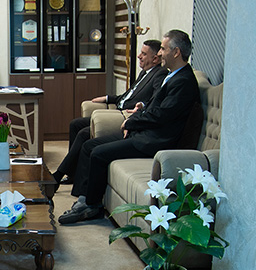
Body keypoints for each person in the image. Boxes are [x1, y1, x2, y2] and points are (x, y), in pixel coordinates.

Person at [58, 30, 200, 225]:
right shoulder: (173, 76)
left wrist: (131, 122)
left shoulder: (184, 81)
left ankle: (92, 206)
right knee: (90, 145)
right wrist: (138, 114)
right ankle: (83, 199)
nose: (159, 53)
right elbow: (154, 107)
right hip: (143, 133)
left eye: (163, 49)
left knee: (98, 153)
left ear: (176, 52)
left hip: (154, 141)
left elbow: (162, 115)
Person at [53, 39, 169, 185]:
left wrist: (142, 105)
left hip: (124, 116)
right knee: (76, 124)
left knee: (84, 133)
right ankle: (72, 173)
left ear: (155, 59)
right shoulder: (144, 73)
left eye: (144, 54)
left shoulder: (159, 74)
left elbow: (156, 99)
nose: (139, 56)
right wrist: (108, 98)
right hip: (117, 110)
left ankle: (59, 175)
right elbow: (128, 96)